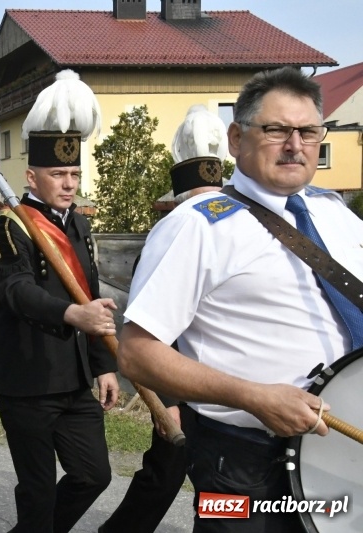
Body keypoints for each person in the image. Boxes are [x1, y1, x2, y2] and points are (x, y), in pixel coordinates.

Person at [118, 66, 358, 533]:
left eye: (308, 132)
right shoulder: (196, 226)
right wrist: (253, 397)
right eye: (276, 130)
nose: (295, 145)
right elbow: (137, 353)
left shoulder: (339, 215)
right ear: (235, 139)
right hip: (243, 465)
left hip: (341, 451)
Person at [0, 69, 119, 533]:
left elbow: (93, 299)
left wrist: (103, 365)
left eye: (74, 173)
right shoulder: (9, 225)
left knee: (93, 475)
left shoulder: (79, 225)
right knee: (38, 488)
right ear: (31, 176)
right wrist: (70, 314)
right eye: (58, 174)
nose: (68, 183)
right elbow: (16, 291)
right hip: (26, 376)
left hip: (74, 376)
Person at [99, 108, 227, 533]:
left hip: (228, 387)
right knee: (170, 475)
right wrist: (167, 402)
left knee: (213, 486)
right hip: (185, 386)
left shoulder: (239, 228)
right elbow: (151, 330)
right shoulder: (171, 233)